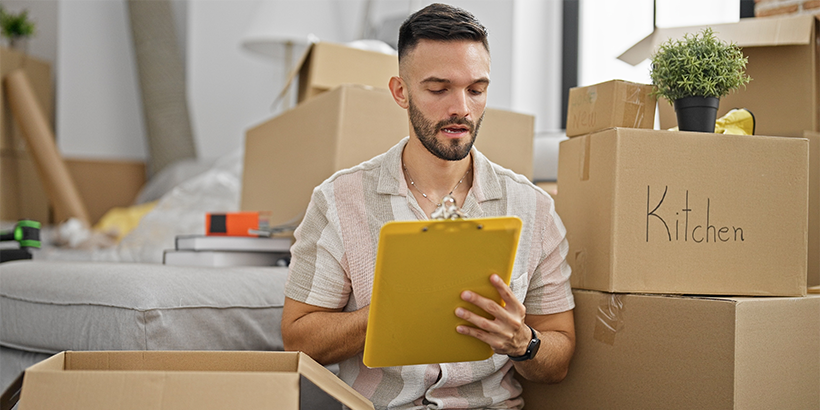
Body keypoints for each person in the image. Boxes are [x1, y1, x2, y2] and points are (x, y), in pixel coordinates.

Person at [281, 3, 574, 409]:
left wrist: (524, 342)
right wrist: (396, 310)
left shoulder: (533, 208)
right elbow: (298, 339)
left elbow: (559, 356)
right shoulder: (339, 200)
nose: (462, 109)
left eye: (476, 89)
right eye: (439, 89)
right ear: (401, 92)